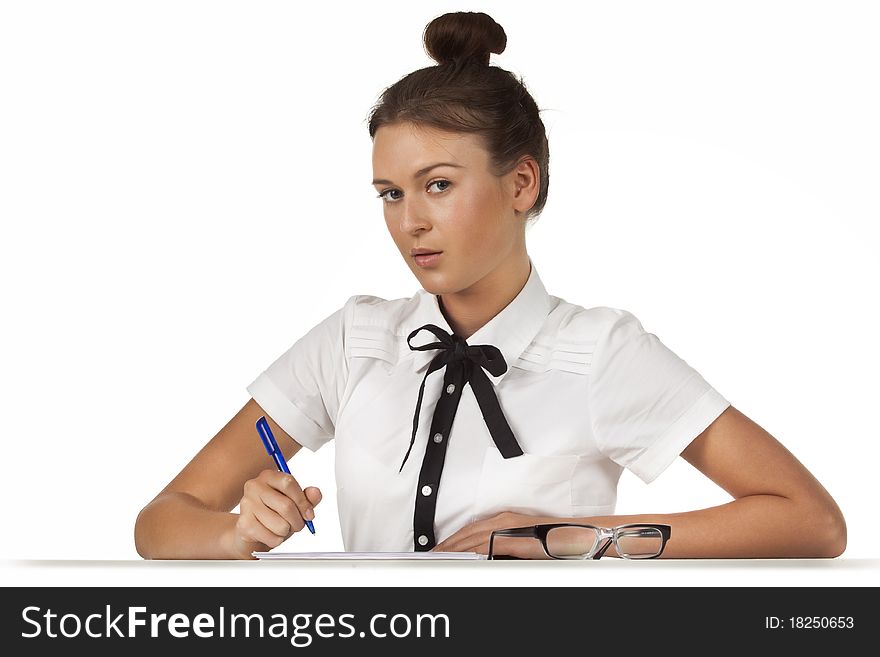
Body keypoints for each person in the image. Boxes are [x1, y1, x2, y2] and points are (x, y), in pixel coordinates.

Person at [134, 11, 846, 560]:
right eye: (389, 193)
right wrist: (235, 532)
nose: (410, 221)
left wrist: (569, 535)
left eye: (438, 185)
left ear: (521, 182)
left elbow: (807, 518)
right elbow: (162, 520)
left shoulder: (602, 351)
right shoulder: (352, 341)